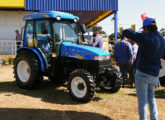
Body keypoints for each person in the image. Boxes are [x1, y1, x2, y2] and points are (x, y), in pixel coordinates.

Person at [122, 18, 165, 120]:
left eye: (144, 29)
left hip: (143, 73)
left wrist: (133, 31)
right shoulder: (162, 40)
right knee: (152, 98)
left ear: (146, 28)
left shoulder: (145, 37)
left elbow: (125, 32)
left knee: (142, 101)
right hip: (154, 74)